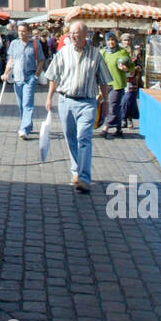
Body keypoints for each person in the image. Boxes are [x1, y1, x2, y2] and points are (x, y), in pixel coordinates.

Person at [44, 19, 113, 193]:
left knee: (84, 137)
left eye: (76, 33)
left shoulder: (96, 54)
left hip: (87, 102)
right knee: (71, 137)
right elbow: (53, 76)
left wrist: (105, 101)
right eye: (71, 33)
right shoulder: (63, 53)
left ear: (85, 34)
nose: (73, 36)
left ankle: (83, 177)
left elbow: (104, 80)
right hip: (66, 100)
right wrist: (49, 97)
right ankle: (76, 170)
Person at [5, 22, 46, 140]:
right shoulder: (14, 43)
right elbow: (10, 60)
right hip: (17, 78)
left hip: (30, 78)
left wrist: (36, 76)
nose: (21, 33)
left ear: (28, 32)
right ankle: (28, 125)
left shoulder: (35, 44)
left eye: (23, 31)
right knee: (21, 105)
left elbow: (41, 60)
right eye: (19, 31)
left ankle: (24, 129)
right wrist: (5, 73)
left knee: (27, 104)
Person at [98, 32, 132, 138]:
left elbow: (131, 66)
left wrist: (126, 69)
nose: (110, 42)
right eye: (108, 40)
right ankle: (118, 128)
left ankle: (105, 128)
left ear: (116, 41)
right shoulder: (102, 52)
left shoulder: (122, 52)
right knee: (114, 106)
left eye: (112, 40)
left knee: (112, 106)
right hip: (104, 83)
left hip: (117, 83)